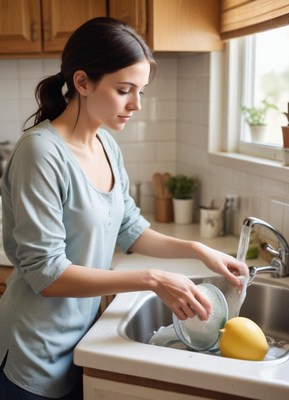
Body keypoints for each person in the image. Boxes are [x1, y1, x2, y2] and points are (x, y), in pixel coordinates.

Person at [0, 17, 248, 400]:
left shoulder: (105, 144)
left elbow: (129, 228)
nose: (136, 105)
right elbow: (46, 276)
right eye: (123, 90)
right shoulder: (40, 152)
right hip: (34, 355)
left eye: (141, 92)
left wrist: (201, 251)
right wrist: (151, 279)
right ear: (82, 82)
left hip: (80, 342)